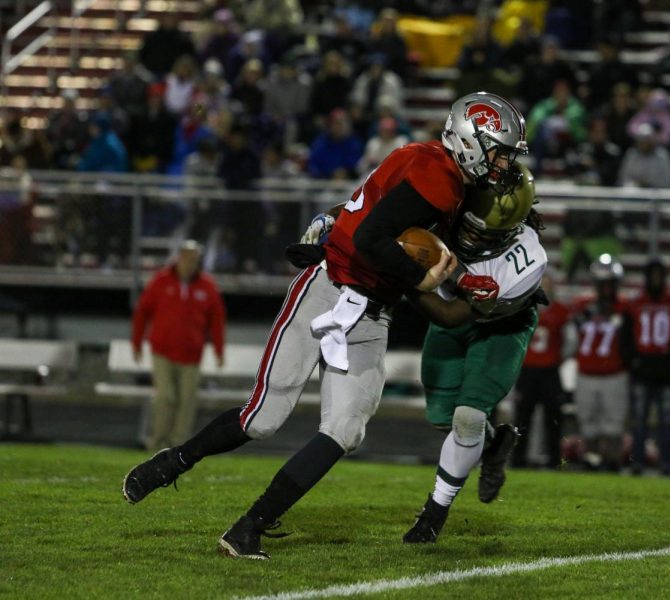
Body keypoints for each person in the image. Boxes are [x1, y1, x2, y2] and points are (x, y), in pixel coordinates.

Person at [121, 91, 527, 560]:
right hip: (329, 291)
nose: (502, 164)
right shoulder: (438, 176)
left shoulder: (425, 159)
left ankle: (248, 528)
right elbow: (378, 238)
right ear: (472, 141)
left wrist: (454, 275)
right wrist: (428, 276)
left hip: (371, 311)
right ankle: (171, 463)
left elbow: (377, 218)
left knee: (346, 428)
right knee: (262, 419)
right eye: (499, 151)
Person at [402, 165, 547, 543]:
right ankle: (496, 442)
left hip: (500, 326)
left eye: (480, 232)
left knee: (467, 418)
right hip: (453, 307)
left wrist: (401, 278)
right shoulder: (448, 200)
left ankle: (434, 514)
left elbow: (451, 316)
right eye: (465, 225)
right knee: (442, 420)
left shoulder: (525, 263)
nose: (467, 237)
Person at [131, 241, 226, 451]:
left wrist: (219, 350)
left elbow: (217, 321)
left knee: (187, 401)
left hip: (191, 354)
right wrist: (136, 342)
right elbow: (142, 312)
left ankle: (177, 447)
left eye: (194, 259)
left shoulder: (207, 286)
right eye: (187, 257)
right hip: (163, 351)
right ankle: (157, 443)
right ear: (179, 257)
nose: (190, 263)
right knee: (166, 397)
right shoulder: (161, 281)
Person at [573, 254, 633, 471]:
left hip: (615, 373)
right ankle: (591, 460)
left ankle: (612, 461)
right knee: (588, 422)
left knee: (614, 423)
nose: (607, 289)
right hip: (587, 371)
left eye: (610, 284)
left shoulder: (625, 307)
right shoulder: (583, 305)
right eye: (603, 284)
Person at [512, 273, 575, 469]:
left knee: (553, 419)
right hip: (528, 369)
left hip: (549, 371)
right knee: (522, 418)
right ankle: (518, 459)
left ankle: (554, 460)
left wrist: (557, 359)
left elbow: (572, 341)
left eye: (549, 285)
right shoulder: (523, 308)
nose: (546, 289)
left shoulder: (562, 311)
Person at [626, 258, 670, 475]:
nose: (656, 280)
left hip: (667, 370)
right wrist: (634, 360)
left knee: (667, 422)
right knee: (639, 421)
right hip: (643, 369)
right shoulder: (635, 303)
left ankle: (666, 463)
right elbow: (626, 337)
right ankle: (637, 462)